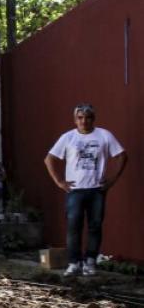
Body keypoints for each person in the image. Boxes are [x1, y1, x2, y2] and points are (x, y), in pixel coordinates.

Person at [43, 103, 127, 276]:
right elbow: (49, 159)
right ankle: (74, 263)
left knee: (95, 226)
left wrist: (111, 181)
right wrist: (59, 181)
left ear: (93, 119)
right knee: (74, 226)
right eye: (80, 117)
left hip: (97, 190)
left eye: (88, 117)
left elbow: (122, 156)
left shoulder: (104, 135)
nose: (84, 121)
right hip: (75, 190)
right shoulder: (68, 137)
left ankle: (90, 262)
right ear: (75, 120)